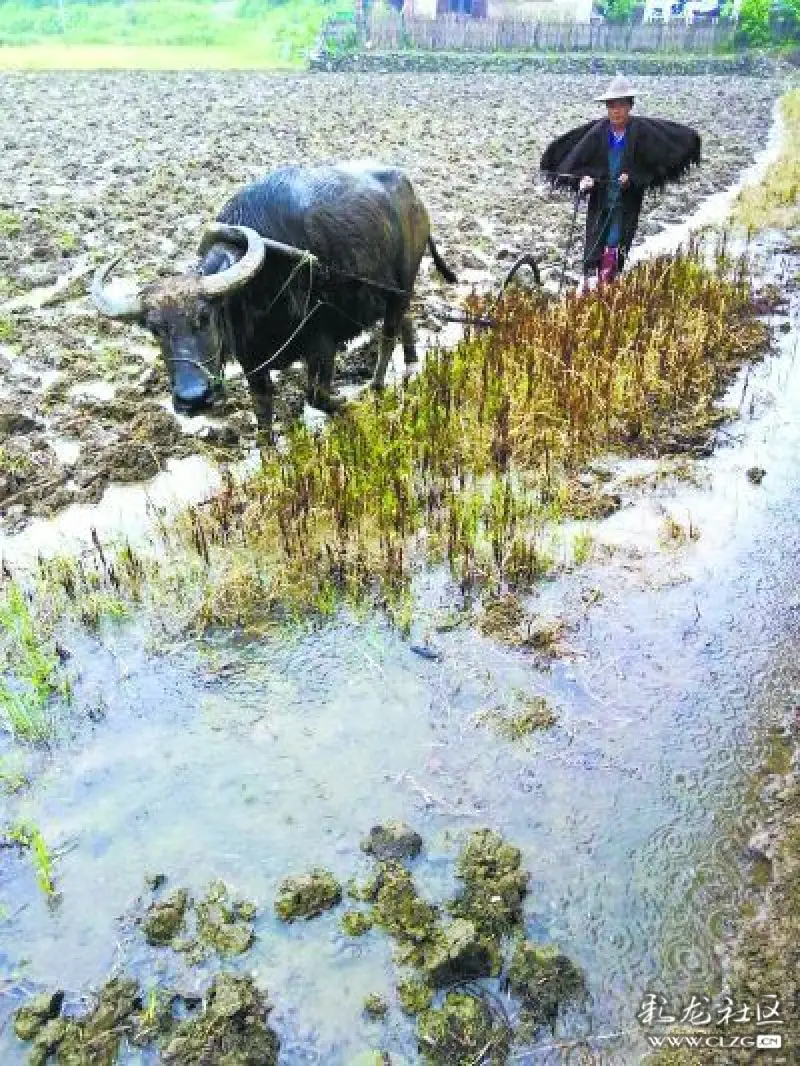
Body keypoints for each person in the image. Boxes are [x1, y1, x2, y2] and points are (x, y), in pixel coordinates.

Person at [540, 74, 701, 290]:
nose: (616, 110)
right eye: (611, 105)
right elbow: (578, 163)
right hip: (601, 199)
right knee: (595, 241)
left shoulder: (642, 132)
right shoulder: (597, 133)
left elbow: (652, 165)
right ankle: (591, 287)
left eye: (621, 105)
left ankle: (608, 287)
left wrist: (632, 176)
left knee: (617, 241)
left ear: (630, 106)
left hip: (627, 202)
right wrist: (584, 179)